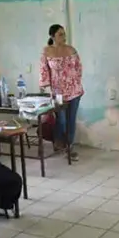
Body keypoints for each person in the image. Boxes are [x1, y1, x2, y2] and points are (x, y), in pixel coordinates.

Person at [39, 24, 84, 161]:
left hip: (74, 91)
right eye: (60, 34)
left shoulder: (71, 50)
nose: (63, 37)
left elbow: (79, 68)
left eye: (64, 34)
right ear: (52, 36)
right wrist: (45, 88)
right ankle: (58, 142)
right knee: (61, 120)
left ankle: (69, 147)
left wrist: (74, 82)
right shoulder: (47, 51)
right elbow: (43, 71)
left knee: (71, 120)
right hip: (58, 93)